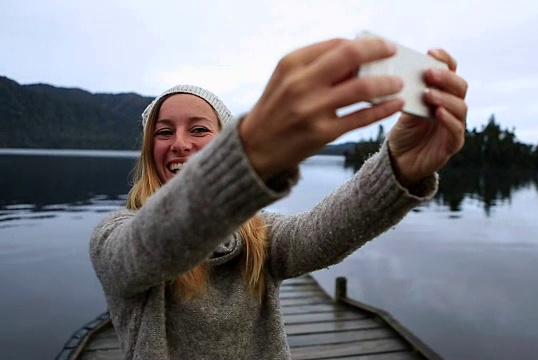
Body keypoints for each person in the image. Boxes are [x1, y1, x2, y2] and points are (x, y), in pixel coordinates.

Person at [90, 36, 468, 359]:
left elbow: (324, 231)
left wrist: (399, 167)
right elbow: (153, 244)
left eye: (199, 129)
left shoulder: (259, 239)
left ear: (220, 142)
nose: (181, 144)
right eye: (164, 132)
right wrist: (250, 152)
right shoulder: (114, 237)